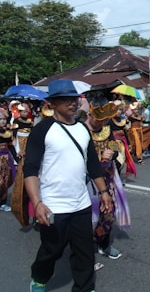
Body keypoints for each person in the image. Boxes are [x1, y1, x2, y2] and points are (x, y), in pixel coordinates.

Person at [23, 79, 113, 292]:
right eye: (65, 100)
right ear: (51, 103)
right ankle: (39, 278)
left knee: (84, 252)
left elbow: (92, 163)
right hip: (54, 205)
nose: (72, 104)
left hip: (81, 203)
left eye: (74, 99)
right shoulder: (42, 130)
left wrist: (103, 191)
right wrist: (37, 203)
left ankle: (85, 287)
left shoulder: (82, 129)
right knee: (51, 251)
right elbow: (30, 170)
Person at [85, 96, 131, 260]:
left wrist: (113, 155)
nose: (102, 123)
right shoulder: (81, 131)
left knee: (108, 213)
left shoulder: (107, 130)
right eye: (99, 120)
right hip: (86, 181)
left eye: (105, 120)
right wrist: (98, 156)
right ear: (90, 114)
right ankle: (86, 251)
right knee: (88, 218)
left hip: (107, 179)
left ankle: (104, 244)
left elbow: (116, 151)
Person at [0, 108, 18, 212]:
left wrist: (17, 159)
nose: (2, 121)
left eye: (3, 119)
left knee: (5, 181)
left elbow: (11, 147)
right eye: (0, 119)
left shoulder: (8, 132)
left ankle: (3, 203)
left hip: (6, 159)